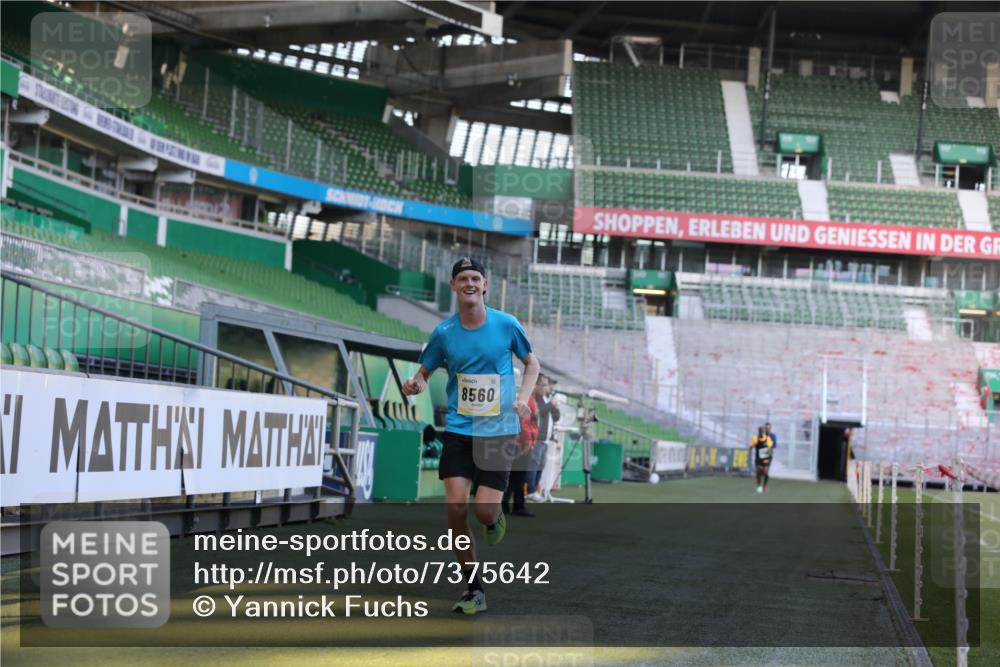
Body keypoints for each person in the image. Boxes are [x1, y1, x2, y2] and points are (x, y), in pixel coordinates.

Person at [402, 257, 539, 615]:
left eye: (475, 278)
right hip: (460, 431)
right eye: (462, 278)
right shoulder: (444, 333)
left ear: (485, 285)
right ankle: (474, 588)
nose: (469, 283)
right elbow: (425, 372)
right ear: (453, 285)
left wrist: (523, 397)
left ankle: (495, 518)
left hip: (497, 432)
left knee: (483, 511)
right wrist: (416, 383)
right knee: (457, 509)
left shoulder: (506, 324)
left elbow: (532, 364)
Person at [503, 390, 537, 517]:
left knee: (513, 476)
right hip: (519, 443)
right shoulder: (526, 398)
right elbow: (524, 421)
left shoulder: (524, 397)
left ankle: (507, 505)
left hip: (515, 442)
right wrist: (527, 440)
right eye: (544, 384)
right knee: (517, 476)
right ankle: (516, 506)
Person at [528, 374, 560, 497]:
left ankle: (535, 490)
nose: (548, 387)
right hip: (537, 438)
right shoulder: (536, 398)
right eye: (546, 384)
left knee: (540, 465)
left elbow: (556, 418)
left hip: (545, 439)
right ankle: (530, 491)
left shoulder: (547, 398)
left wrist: (555, 408)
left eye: (548, 384)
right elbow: (539, 412)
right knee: (534, 464)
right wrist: (551, 405)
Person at [749, 426, 774, 493]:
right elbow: (752, 445)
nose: (761, 432)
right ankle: (759, 486)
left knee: (765, 471)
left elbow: (770, 448)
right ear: (758, 431)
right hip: (758, 458)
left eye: (762, 431)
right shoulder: (755, 438)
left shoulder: (768, 439)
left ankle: (765, 485)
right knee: (758, 471)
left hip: (765, 458)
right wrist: (751, 446)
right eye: (760, 431)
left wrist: (770, 457)